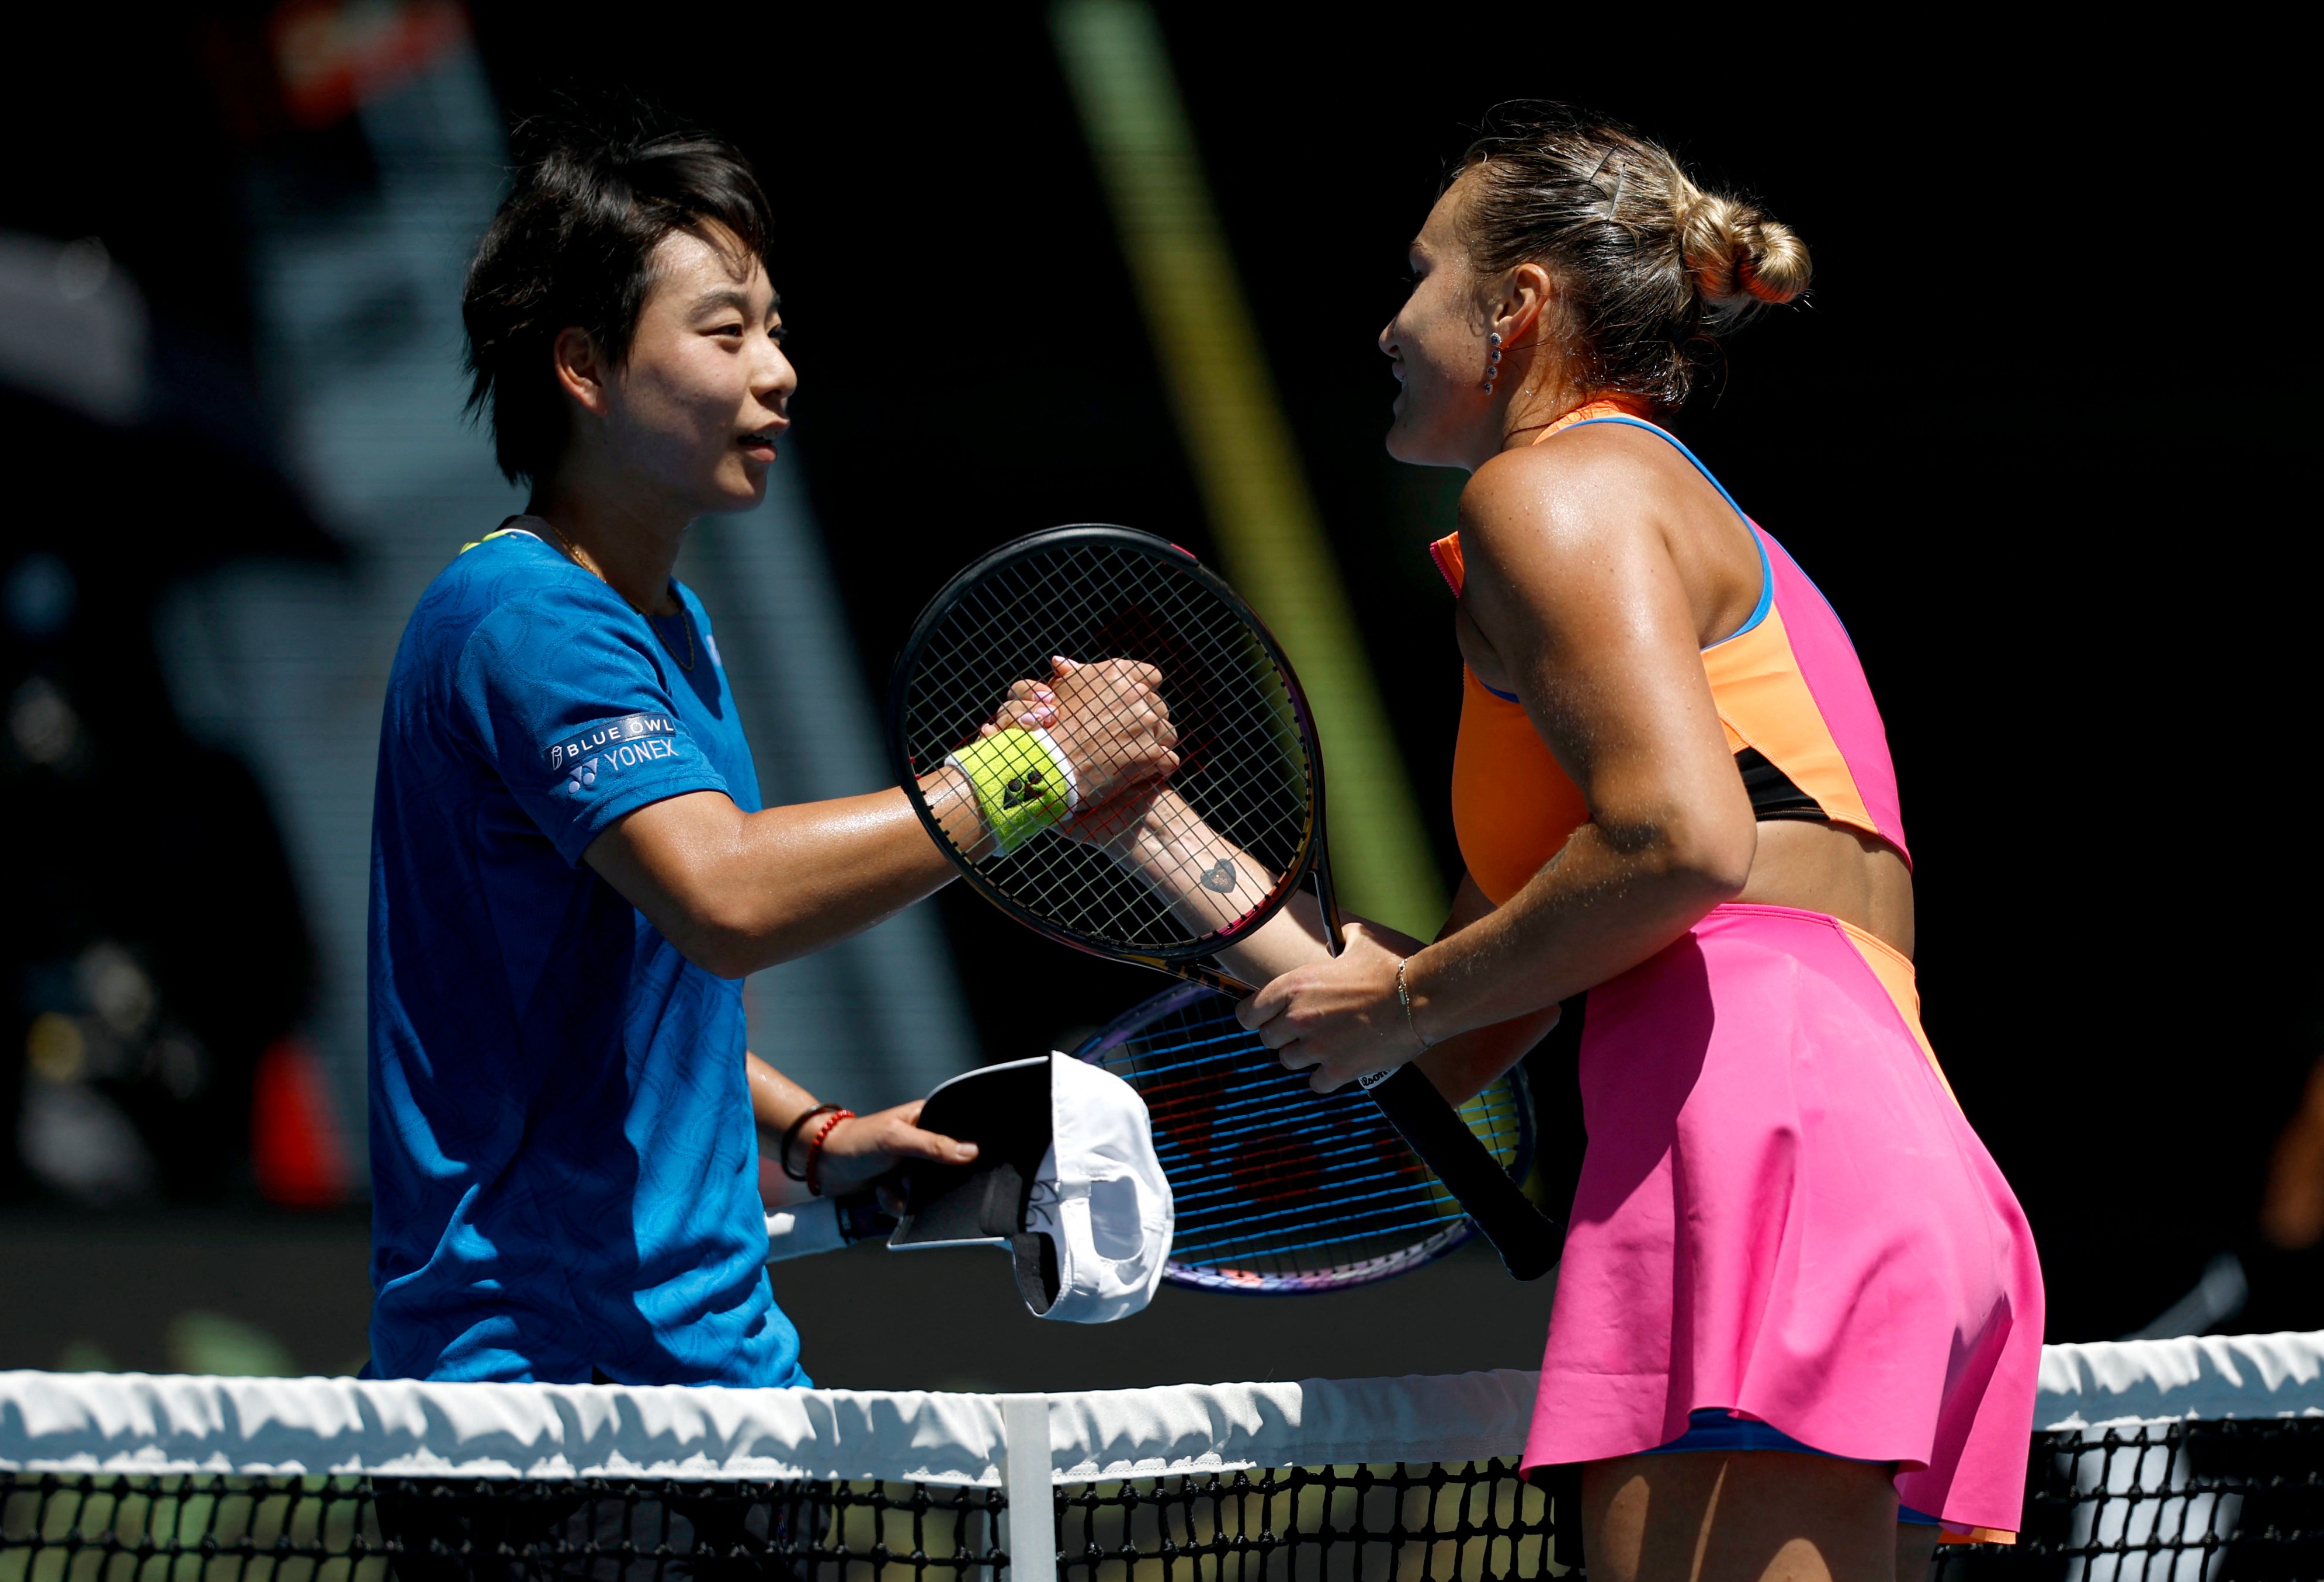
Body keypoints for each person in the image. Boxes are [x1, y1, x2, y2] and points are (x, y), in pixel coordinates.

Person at [1212, 104, 2044, 1580]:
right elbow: (1474, 1017)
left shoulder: (1553, 489)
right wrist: (1147, 828)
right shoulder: (1658, 525)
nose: (1389, 323)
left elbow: (1674, 842)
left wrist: (1405, 999)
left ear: (1516, 304)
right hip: (1856, 1132)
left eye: (1419, 274)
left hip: (1761, 1135)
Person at [365, 116, 1177, 1387]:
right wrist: (1034, 774)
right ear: (582, 366)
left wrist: (811, 1134)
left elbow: (615, 985)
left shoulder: (669, 626)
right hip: (542, 1407)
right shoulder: (524, 621)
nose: (780, 370)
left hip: (724, 1373)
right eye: (726, 331)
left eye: (776, 328)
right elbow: (726, 898)